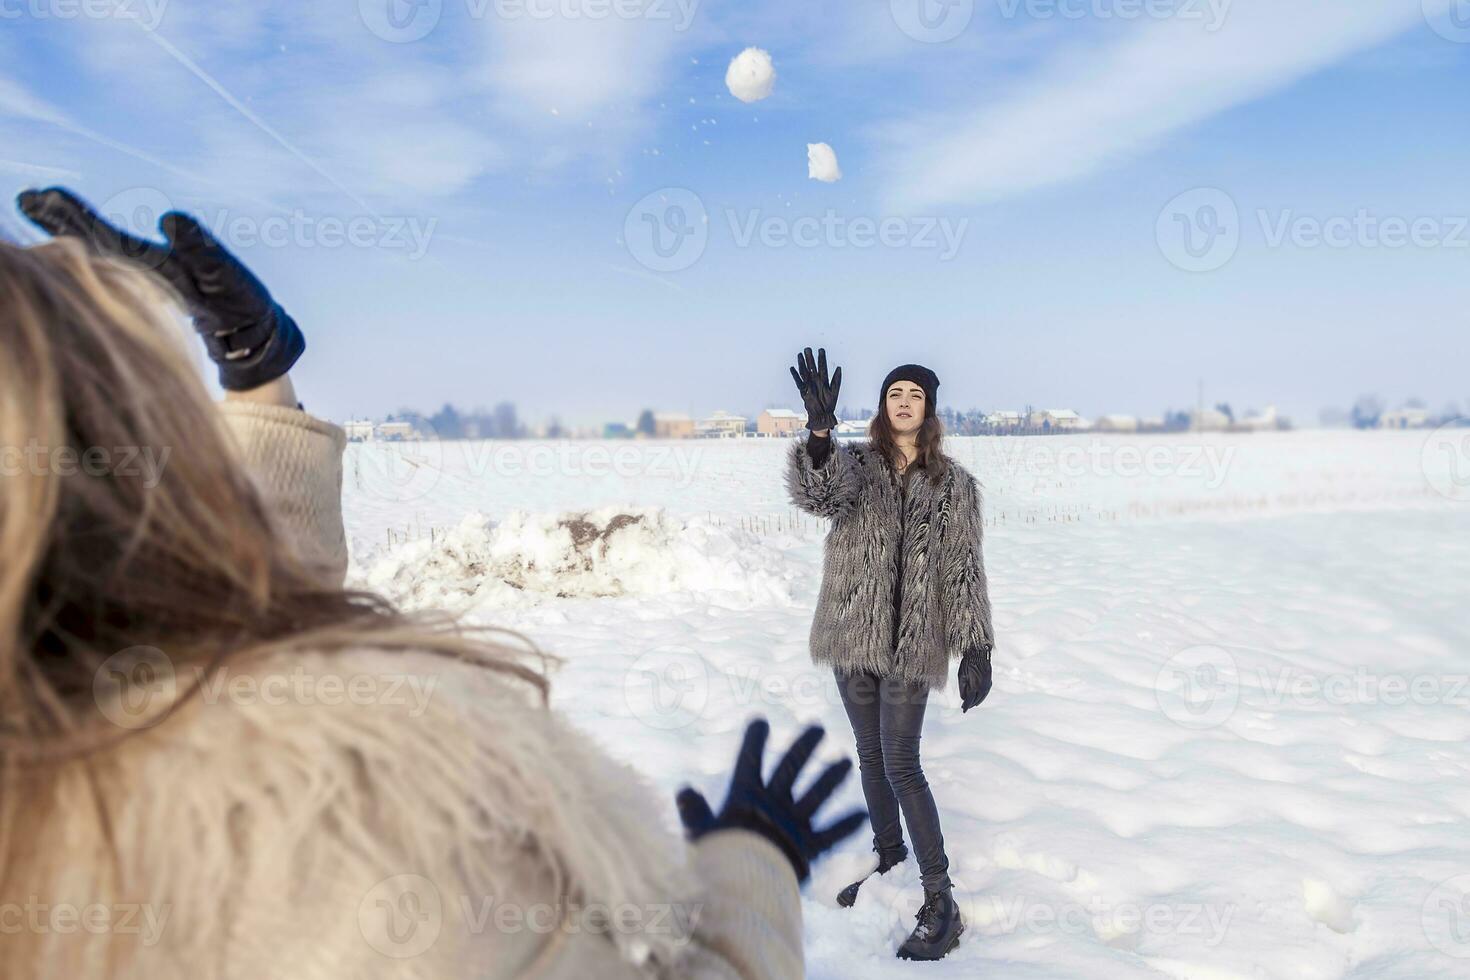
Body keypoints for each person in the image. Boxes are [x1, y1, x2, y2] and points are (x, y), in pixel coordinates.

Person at [0, 188, 867, 979]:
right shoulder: (339, 830)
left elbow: (208, 631)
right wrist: (750, 866)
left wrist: (259, 380)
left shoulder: (72, 730)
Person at [784, 347, 995, 961]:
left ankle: (940, 900)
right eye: (894, 394)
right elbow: (818, 495)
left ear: (929, 409)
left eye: (916, 395)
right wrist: (820, 435)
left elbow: (962, 569)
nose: (904, 403)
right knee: (871, 756)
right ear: (882, 406)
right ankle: (890, 859)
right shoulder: (856, 467)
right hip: (853, 632)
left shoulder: (953, 484)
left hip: (913, 641)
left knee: (902, 761)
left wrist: (975, 645)